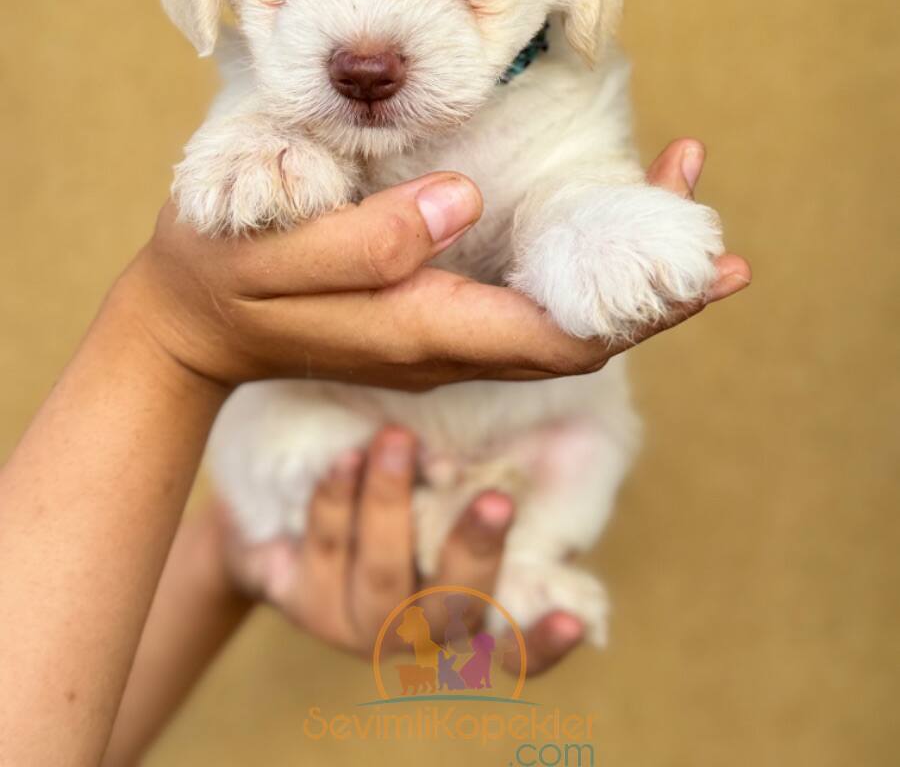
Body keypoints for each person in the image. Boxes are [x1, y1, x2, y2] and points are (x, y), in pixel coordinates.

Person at [0, 142, 750, 767]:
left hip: (449, 456)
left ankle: (522, 548)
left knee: (593, 440)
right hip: (342, 431)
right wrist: (169, 337)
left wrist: (235, 555)